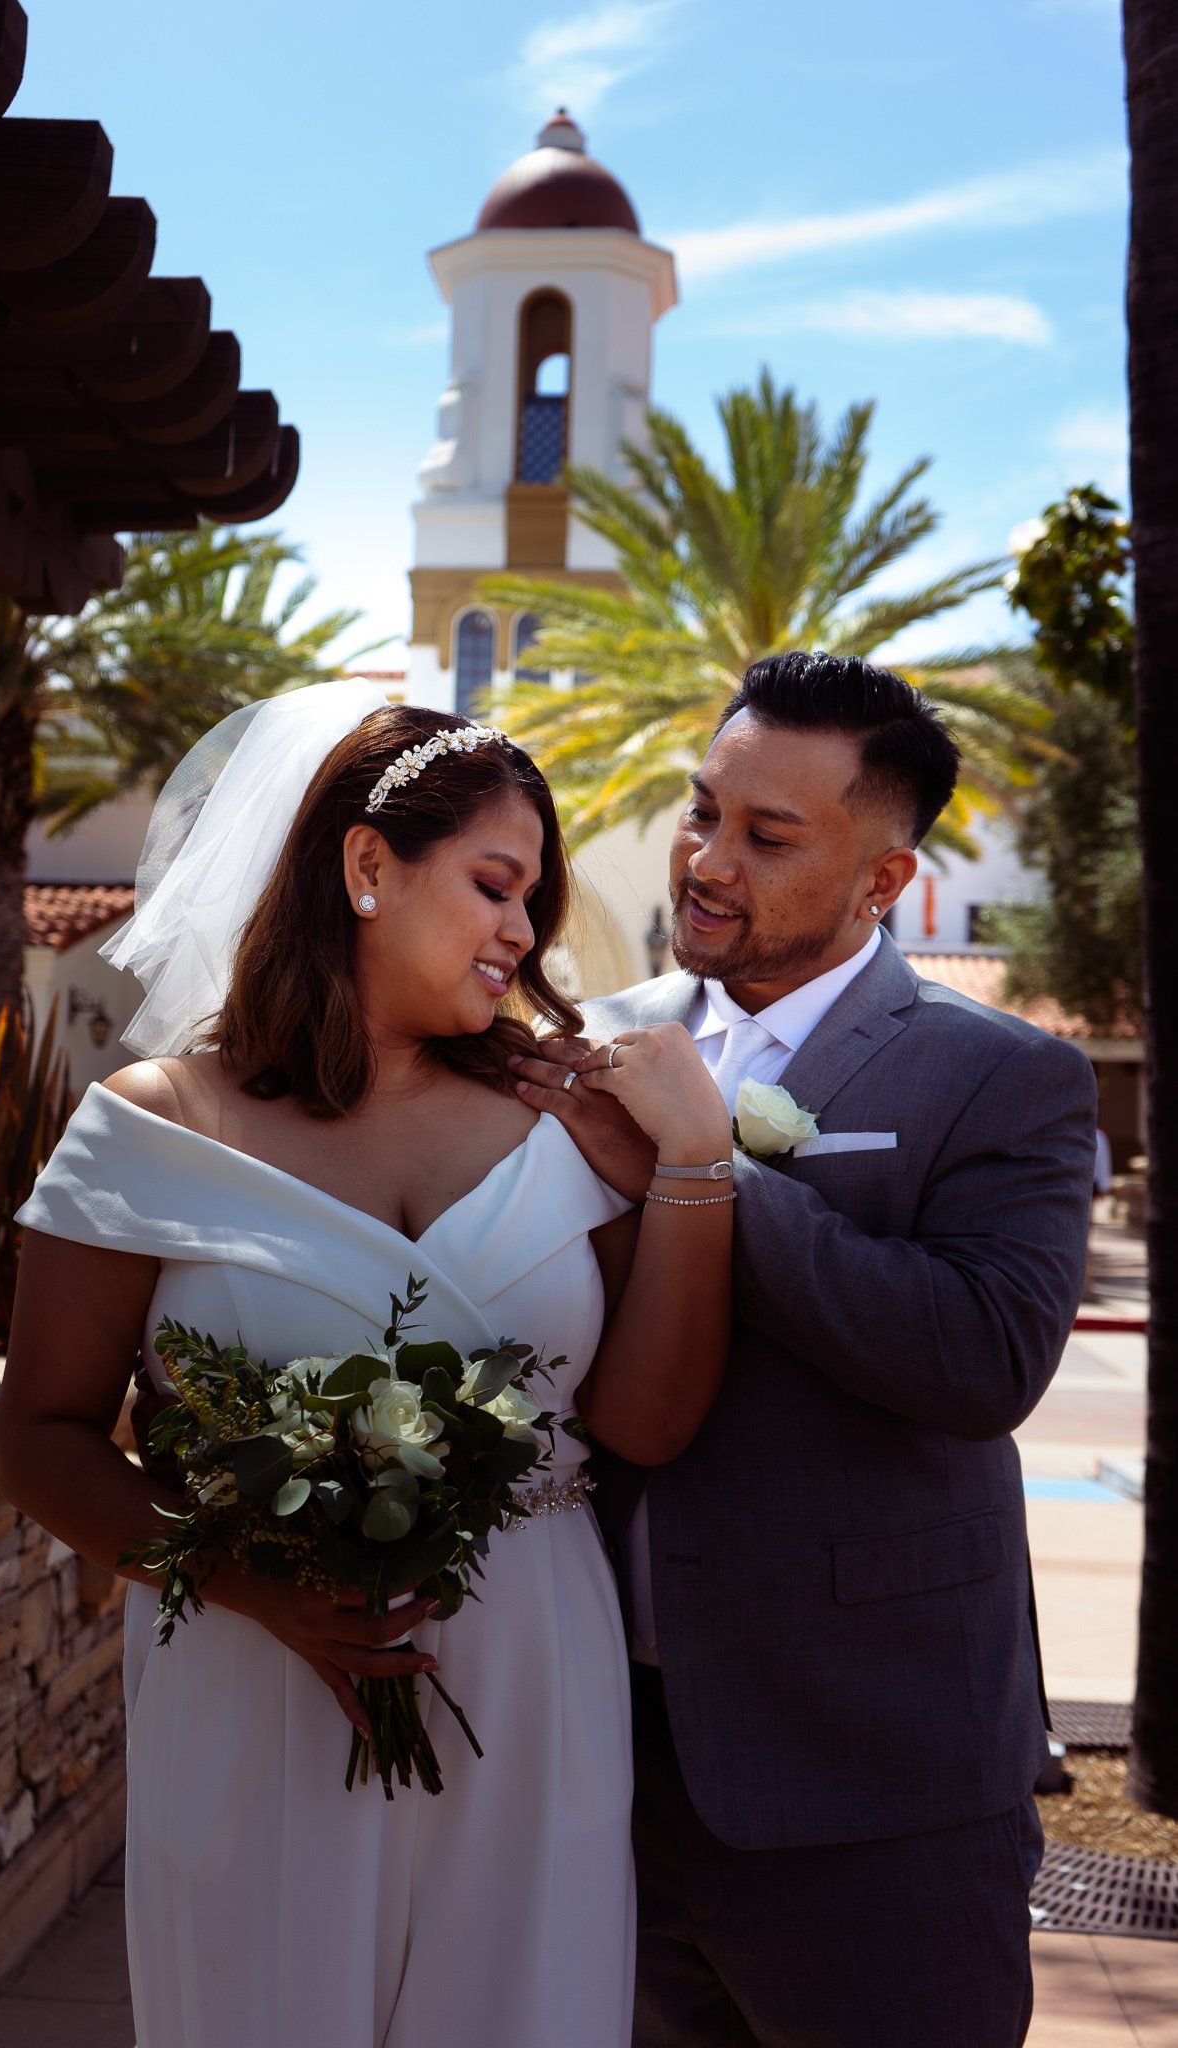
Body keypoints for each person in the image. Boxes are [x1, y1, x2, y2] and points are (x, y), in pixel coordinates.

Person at [0, 680, 737, 2048]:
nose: (524, 932)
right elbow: (40, 1436)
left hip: (530, 1673)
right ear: (365, 867)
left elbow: (644, 1424)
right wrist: (249, 1581)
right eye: (495, 885)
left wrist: (692, 1169)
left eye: (535, 902)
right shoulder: (154, 1130)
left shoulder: (564, 1126)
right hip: (254, 1669)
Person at [510, 652, 1098, 2048]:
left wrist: (702, 1169)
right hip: (605, 1770)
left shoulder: (1001, 1072)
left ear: (882, 880)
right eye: (702, 810)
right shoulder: (592, 1047)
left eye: (768, 837)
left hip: (877, 1777)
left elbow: (983, 1359)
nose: (707, 860)